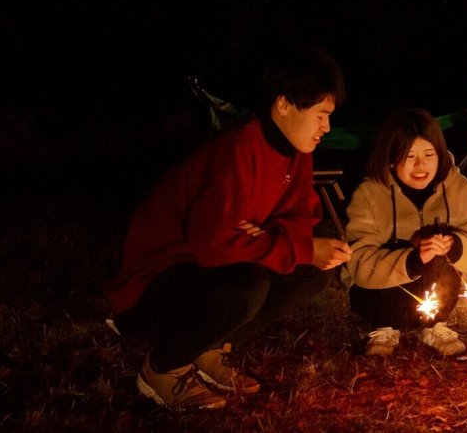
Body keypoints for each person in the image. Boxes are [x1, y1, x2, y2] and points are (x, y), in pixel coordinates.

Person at [104, 46, 352, 410]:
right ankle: (163, 368)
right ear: (284, 104)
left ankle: (207, 348)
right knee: (250, 284)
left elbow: (299, 217)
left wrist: (278, 240)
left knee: (312, 272)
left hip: (205, 272)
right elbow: (213, 246)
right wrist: (294, 246)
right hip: (152, 286)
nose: (326, 128)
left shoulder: (296, 154)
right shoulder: (238, 148)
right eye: (321, 115)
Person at [343, 108, 467, 357]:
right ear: (391, 158)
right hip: (378, 298)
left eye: (429, 154)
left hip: (433, 293)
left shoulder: (456, 188)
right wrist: (412, 259)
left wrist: (456, 246)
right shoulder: (370, 193)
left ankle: (435, 325)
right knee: (403, 251)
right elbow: (358, 261)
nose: (420, 165)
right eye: (409, 156)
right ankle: (384, 327)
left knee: (440, 248)